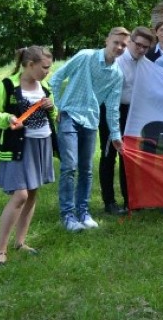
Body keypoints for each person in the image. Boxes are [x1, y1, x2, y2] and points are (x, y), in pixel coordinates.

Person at [50, 27, 129, 232]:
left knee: (86, 170)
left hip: (91, 122)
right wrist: (57, 106)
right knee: (70, 166)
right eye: (116, 42)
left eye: (123, 45)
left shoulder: (117, 75)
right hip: (69, 116)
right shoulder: (85, 56)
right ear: (107, 40)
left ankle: (83, 212)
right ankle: (67, 215)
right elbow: (57, 78)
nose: (119, 47)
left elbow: (112, 108)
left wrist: (115, 135)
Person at [0, 46, 57, 267]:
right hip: (19, 146)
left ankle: (20, 242)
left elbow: (53, 115)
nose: (48, 72)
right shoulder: (8, 85)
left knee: (33, 193)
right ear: (30, 65)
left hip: (42, 142)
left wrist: (52, 107)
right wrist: (7, 118)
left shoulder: (45, 86)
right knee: (20, 195)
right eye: (45, 67)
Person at [99, 27, 154, 216]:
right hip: (111, 111)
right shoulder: (118, 62)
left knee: (128, 157)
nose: (141, 50)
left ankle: (131, 200)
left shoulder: (146, 64)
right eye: (138, 45)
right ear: (130, 41)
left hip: (134, 113)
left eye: (145, 47)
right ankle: (109, 202)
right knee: (108, 157)